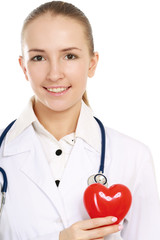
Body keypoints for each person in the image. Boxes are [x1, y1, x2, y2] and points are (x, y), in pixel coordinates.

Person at [0, 1, 160, 239]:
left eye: (70, 55)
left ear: (92, 63)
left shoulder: (133, 157)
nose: (55, 73)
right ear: (24, 67)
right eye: (38, 58)